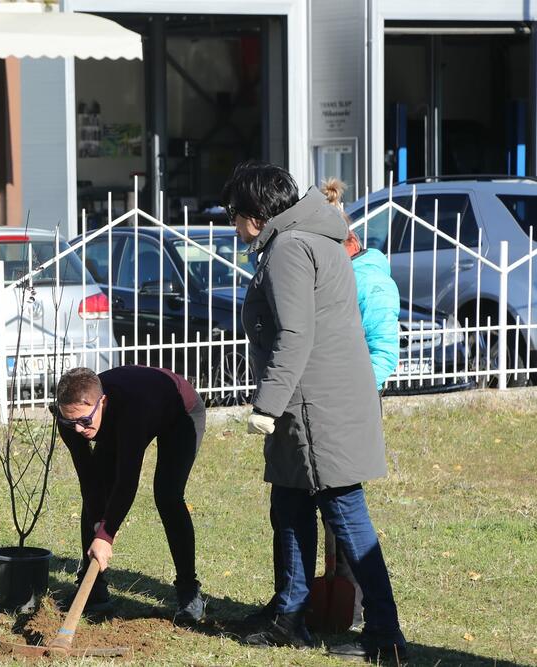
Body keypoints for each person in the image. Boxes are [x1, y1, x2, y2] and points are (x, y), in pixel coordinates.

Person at [224, 161, 407, 661]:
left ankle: (384, 638)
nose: (234, 227)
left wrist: (267, 404)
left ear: (256, 216)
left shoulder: (289, 248)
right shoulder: (317, 237)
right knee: (288, 505)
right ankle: (289, 614)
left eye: (235, 215)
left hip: (314, 408)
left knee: (346, 516)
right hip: (312, 403)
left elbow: (296, 334)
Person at [54, 365, 207, 624]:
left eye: (84, 421)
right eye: (71, 422)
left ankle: (188, 592)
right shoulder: (71, 421)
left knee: (168, 495)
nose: (78, 430)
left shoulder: (132, 411)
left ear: (102, 402)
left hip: (179, 412)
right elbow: (88, 479)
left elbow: (127, 481)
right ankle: (93, 590)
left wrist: (106, 535)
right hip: (123, 416)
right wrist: (97, 524)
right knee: (97, 491)